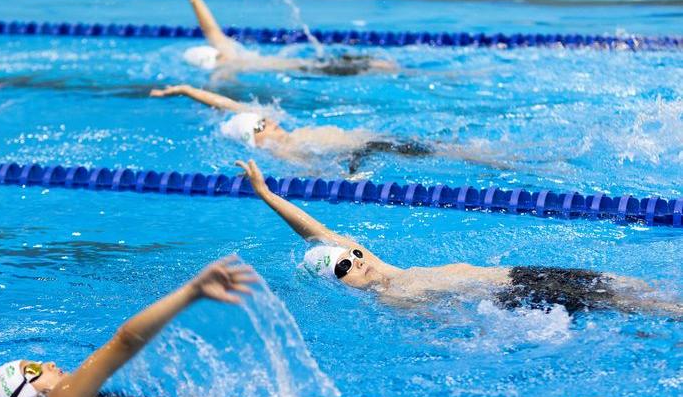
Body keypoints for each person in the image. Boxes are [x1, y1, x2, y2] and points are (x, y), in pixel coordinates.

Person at [0, 255, 450, 397]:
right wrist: (191, 291)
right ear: (28, 391)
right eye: (32, 368)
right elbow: (124, 340)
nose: (46, 362)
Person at [235, 159, 683, 317]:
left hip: (518, 274)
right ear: (337, 284)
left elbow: (316, 232)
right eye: (344, 267)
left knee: (629, 288)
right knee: (636, 305)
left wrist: (267, 194)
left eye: (352, 253)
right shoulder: (391, 298)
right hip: (516, 300)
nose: (356, 260)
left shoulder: (383, 268)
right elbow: (454, 326)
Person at [150, 84, 512, 173]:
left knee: (454, 149)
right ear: (255, 141)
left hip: (376, 142)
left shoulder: (283, 134)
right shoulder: (279, 148)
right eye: (261, 124)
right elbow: (312, 171)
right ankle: (506, 162)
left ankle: (505, 160)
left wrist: (182, 90)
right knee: (460, 153)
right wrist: (348, 177)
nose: (269, 119)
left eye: (265, 117)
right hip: (370, 150)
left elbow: (227, 105)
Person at [180, 0, 398, 77]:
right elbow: (210, 30)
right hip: (309, 66)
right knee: (376, 65)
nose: (221, 55)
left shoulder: (228, 62)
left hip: (312, 66)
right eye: (217, 55)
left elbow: (210, 29)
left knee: (376, 66)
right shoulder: (226, 64)